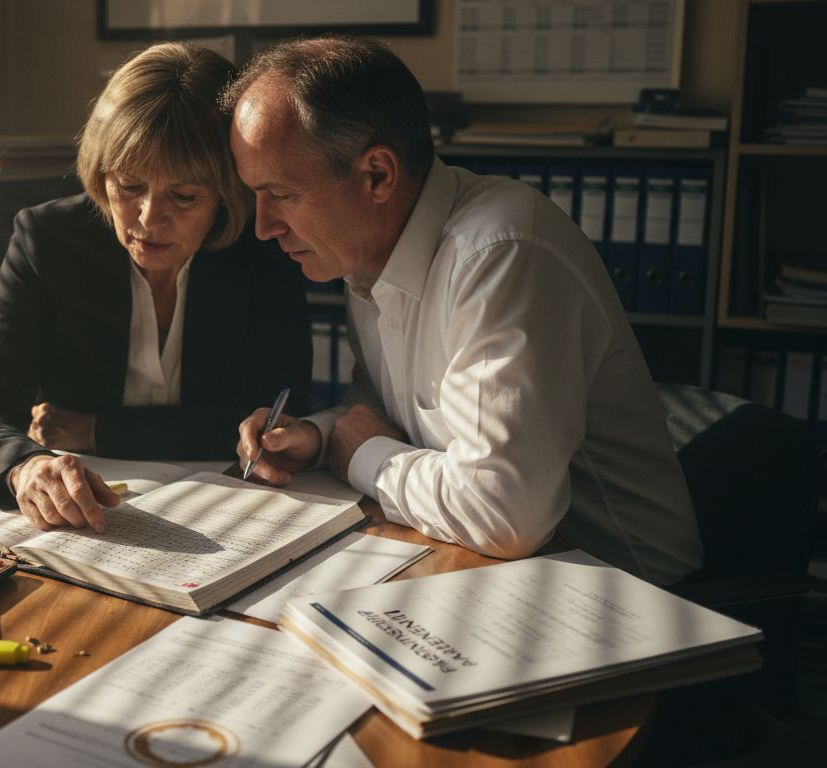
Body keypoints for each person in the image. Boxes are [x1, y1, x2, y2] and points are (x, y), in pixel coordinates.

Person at [225, 37, 702, 585]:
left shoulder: (502, 253)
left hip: (626, 589)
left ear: (377, 175)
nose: (263, 226)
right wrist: (317, 435)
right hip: (492, 570)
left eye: (280, 194)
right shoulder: (366, 255)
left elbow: (505, 513)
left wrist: (359, 454)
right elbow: (387, 409)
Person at [0, 42, 311, 535]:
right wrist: (25, 466)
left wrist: (96, 429)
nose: (148, 219)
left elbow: (275, 412)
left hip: (230, 511)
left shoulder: (263, 246)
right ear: (100, 175)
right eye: (128, 186)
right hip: (90, 519)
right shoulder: (49, 239)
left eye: (183, 196)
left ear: (228, 193)